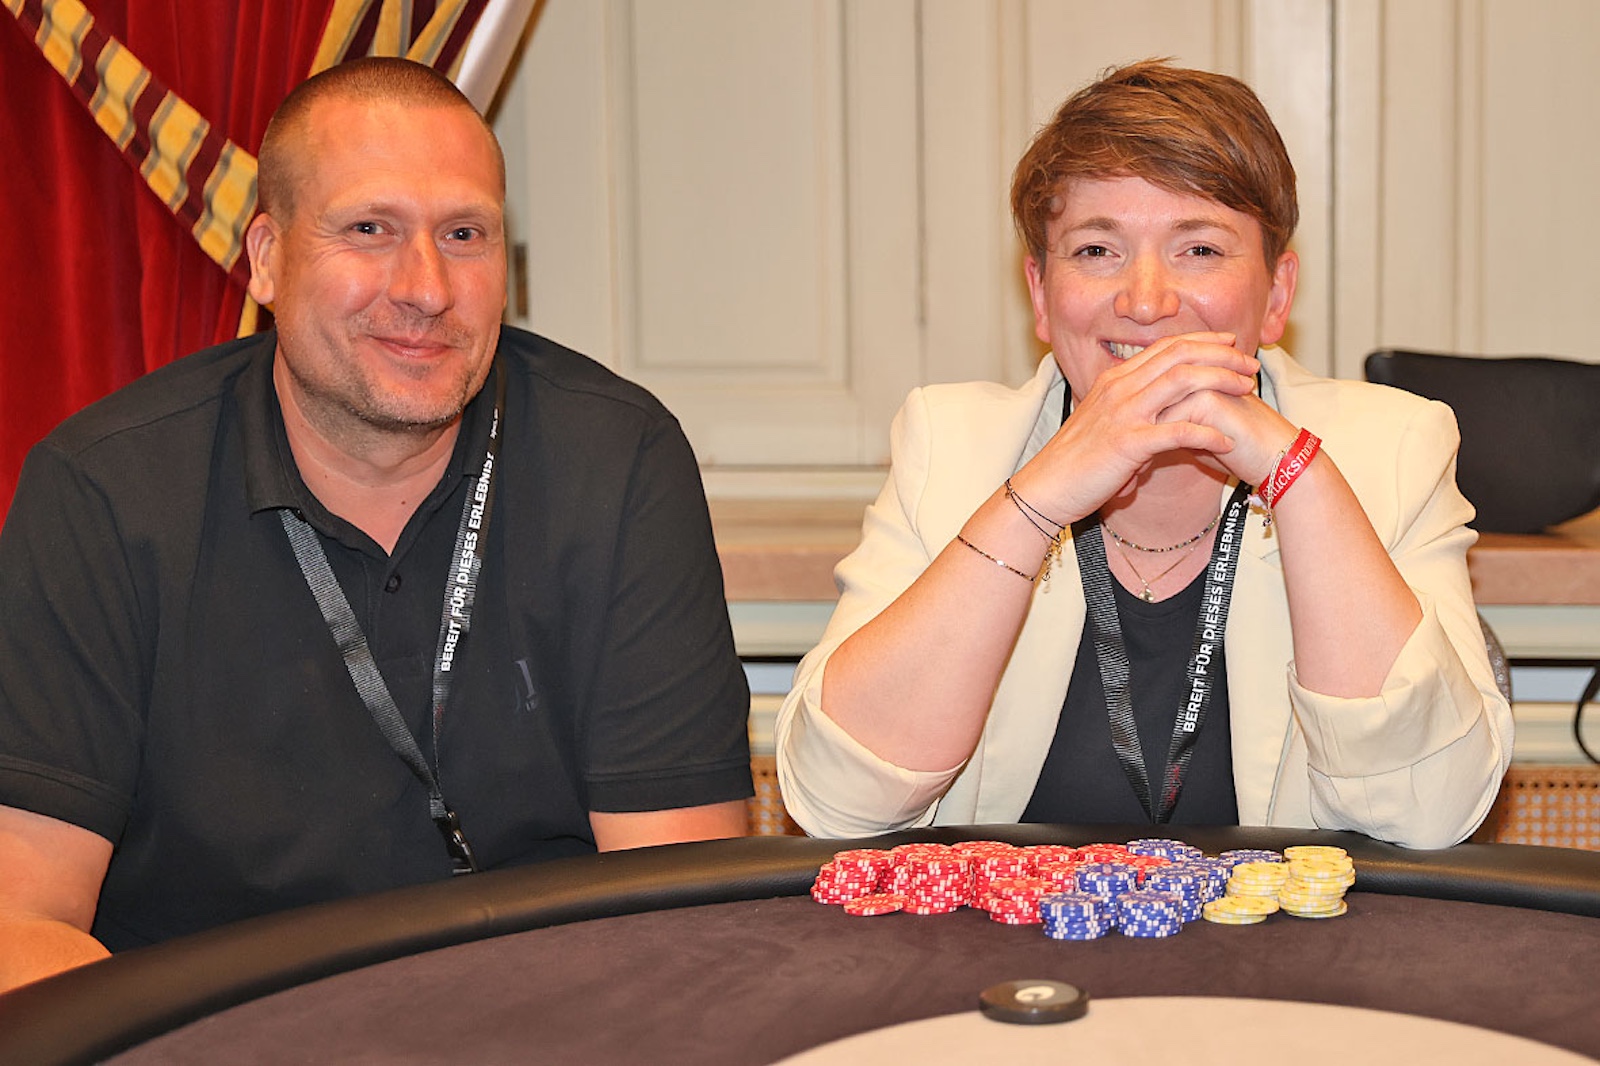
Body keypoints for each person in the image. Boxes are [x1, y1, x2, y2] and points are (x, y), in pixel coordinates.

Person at [0, 57, 752, 993]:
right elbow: (20, 924)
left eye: (465, 234)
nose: (427, 288)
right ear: (267, 257)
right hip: (209, 1034)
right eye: (370, 229)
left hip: (544, 1023)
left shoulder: (619, 462)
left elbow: (678, 913)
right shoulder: (105, 492)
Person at [775, 60, 1511, 850]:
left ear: (1276, 295)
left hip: (1283, 932)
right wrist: (1038, 499)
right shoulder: (951, 445)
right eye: (1097, 250)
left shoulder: (1391, 448)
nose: (1148, 301)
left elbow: (1428, 815)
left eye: (1200, 249)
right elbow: (838, 804)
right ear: (1040, 294)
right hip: (1011, 931)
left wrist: (1293, 473)